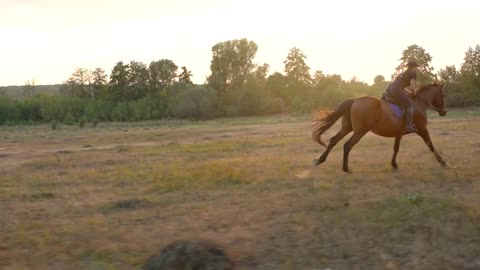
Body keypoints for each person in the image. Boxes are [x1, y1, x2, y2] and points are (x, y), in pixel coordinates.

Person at [385, 60, 419, 134]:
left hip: (390, 88)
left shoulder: (403, 73)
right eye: (416, 67)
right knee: (409, 104)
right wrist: (414, 93)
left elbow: (401, 87)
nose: (416, 69)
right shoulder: (413, 73)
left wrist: (409, 93)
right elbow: (412, 87)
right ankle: (408, 126)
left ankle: (402, 120)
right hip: (396, 90)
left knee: (402, 103)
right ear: (414, 67)